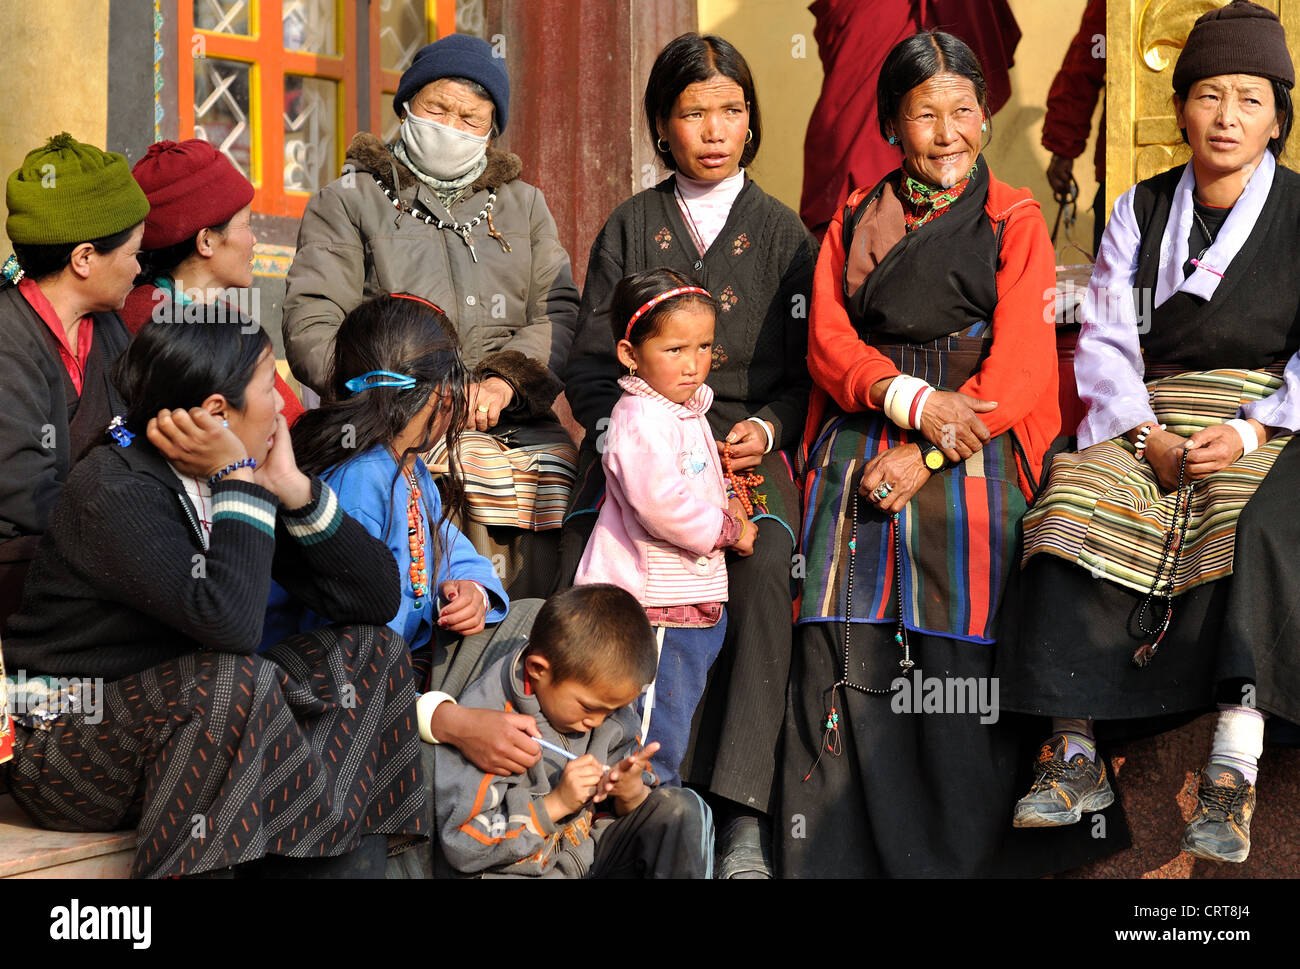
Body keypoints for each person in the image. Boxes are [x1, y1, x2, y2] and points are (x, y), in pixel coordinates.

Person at [778, 30, 1116, 878]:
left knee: (962, 564)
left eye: (963, 110)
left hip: (983, 432)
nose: (948, 132)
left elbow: (1026, 367)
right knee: (835, 574)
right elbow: (826, 340)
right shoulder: (854, 216)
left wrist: (930, 454)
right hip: (879, 408)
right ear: (892, 124)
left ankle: (964, 852)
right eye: (925, 114)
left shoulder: (1016, 218)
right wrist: (909, 402)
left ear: (984, 116)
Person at [1003, 0, 1300, 865]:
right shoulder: (1140, 207)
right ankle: (1073, 750)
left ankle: (1232, 766)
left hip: (1265, 418)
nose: (1228, 117)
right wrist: (1143, 433)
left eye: (1250, 98)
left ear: (1279, 114)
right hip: (1151, 415)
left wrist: (1248, 434)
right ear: (1182, 110)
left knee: (1256, 523)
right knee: (1069, 500)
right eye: (1210, 96)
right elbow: (1104, 337)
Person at [0, 307, 424, 877]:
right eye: (267, 388)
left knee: (374, 652)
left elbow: (374, 600)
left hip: (200, 728)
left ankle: (346, 871)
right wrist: (239, 487)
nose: (281, 404)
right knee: (230, 678)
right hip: (69, 749)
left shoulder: (239, 476)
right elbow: (231, 627)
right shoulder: (113, 487)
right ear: (219, 413)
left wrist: (294, 490)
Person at [562, 31, 814, 877]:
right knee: (595, 555)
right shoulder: (631, 225)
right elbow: (593, 365)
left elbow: (804, 376)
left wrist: (769, 429)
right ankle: (607, 785)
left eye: (732, 110)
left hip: (742, 445)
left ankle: (739, 809)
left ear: (752, 122)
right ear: (661, 126)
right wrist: (627, 439)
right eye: (693, 112)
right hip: (637, 434)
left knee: (765, 555)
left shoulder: (785, 235)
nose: (714, 129)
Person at [283, 33, 580, 598]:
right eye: (437, 108)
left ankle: (515, 652)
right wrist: (400, 397)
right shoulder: (349, 200)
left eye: (472, 117)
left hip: (509, 421)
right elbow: (313, 321)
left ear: (492, 130)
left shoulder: (525, 206)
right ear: (406, 107)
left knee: (559, 492)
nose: (452, 125)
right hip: (386, 421)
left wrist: (503, 382)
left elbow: (558, 311)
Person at [574, 269, 755, 788]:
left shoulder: (680, 410)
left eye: (704, 347)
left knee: (670, 722)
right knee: (648, 733)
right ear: (630, 354)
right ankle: (641, 820)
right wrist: (728, 529)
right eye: (674, 349)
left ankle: (651, 812)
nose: (693, 363)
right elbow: (661, 502)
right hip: (652, 604)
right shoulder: (637, 417)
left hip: (684, 602)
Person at [435, 583, 714, 878]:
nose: (597, 721)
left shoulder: (607, 707)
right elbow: (464, 846)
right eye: (588, 708)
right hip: (519, 869)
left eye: (611, 709)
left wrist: (630, 792)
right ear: (538, 669)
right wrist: (556, 804)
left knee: (682, 810)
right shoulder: (492, 727)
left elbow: (622, 813)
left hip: (588, 857)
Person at [285, 292, 508, 660]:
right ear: (441, 392)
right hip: (355, 682)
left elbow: (449, 549)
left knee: (526, 617)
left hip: (397, 667)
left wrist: (474, 590)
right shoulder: (359, 481)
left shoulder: (409, 467)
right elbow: (345, 632)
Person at [0, 133, 148, 630]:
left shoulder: (106, 326)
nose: (139, 267)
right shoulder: (7, 337)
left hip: (92, 553)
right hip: (24, 577)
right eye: (131, 253)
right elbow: (22, 491)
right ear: (84, 258)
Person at [124, 138, 304, 424]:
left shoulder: (228, 318)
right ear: (206, 241)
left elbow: (291, 419)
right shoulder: (146, 324)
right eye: (246, 225)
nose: (254, 240)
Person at [1041, 0, 1107, 255]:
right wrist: (1063, 146)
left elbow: (1084, 68)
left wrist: (1063, 150)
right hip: (1125, 164)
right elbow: (1087, 65)